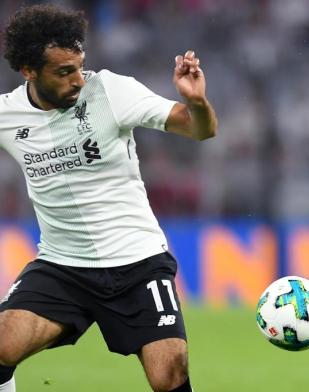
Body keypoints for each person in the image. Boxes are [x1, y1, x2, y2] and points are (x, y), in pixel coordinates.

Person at [0, 4, 217, 392]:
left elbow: (199, 130)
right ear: (29, 71)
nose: (78, 80)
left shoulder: (111, 90)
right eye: (63, 72)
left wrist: (197, 102)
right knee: (2, 343)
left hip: (138, 262)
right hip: (63, 266)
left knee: (170, 373)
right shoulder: (7, 116)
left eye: (79, 67)